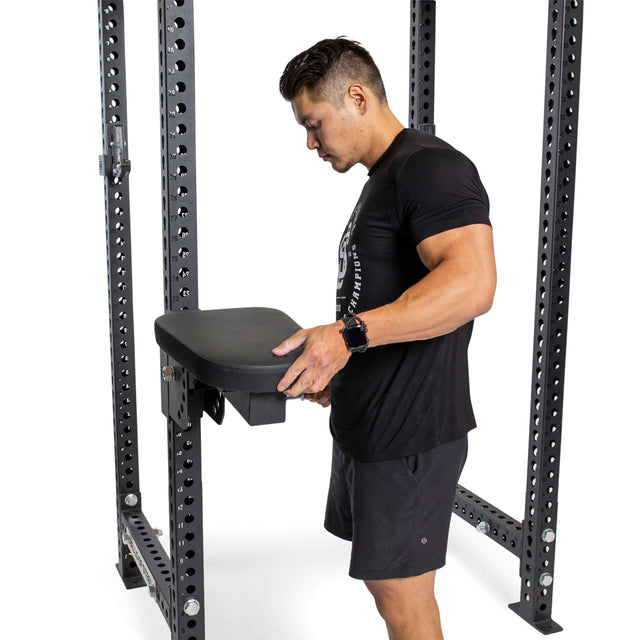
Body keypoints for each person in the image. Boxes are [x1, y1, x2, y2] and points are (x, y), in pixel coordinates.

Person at [273, 38, 496, 640]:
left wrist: (347, 336)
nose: (311, 143)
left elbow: (473, 283)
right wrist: (345, 366)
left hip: (412, 435)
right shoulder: (386, 176)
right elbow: (387, 300)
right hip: (373, 422)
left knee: (405, 600)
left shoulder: (430, 166)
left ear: (356, 96)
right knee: (385, 589)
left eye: (314, 124)